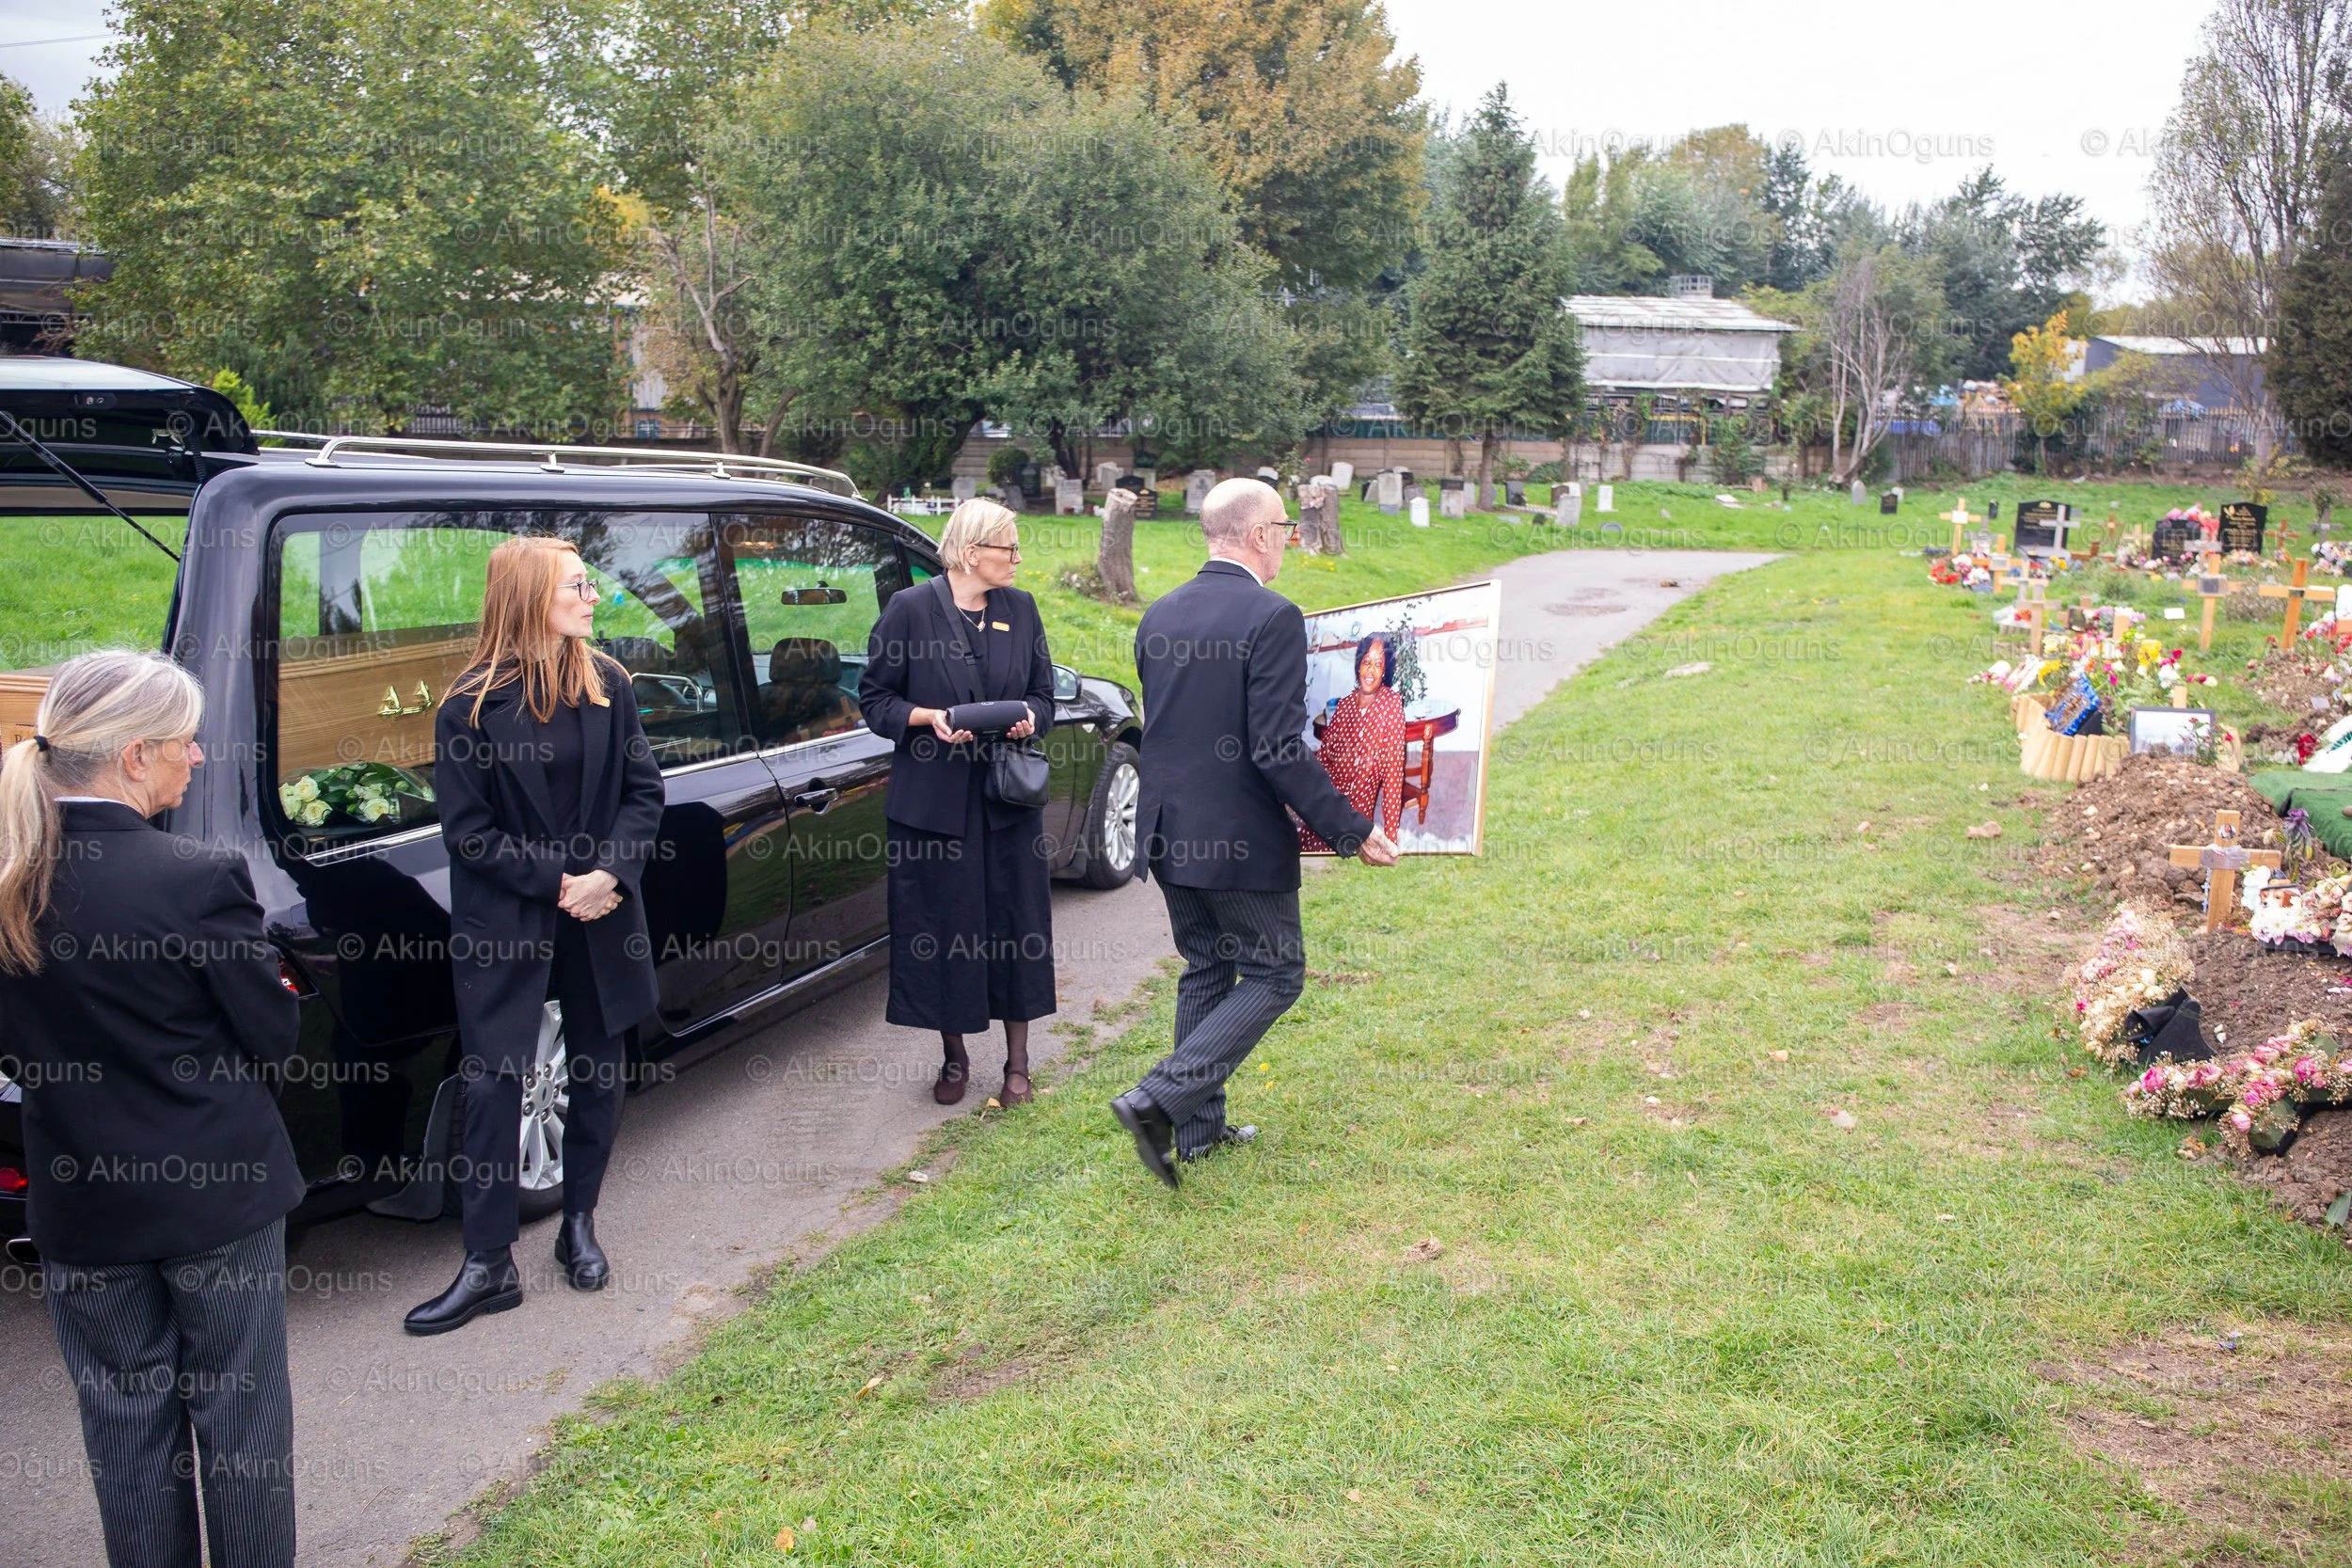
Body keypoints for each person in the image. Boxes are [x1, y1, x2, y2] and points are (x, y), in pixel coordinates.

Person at [0, 649, 302, 1568]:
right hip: (214, 1194)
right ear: (135, 755)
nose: (198, 757)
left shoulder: (14, 879)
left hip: (81, 1202)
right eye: (184, 740)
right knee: (238, 1416)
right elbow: (271, 1032)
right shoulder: (193, 873)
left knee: (125, 1431)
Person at [405, 536, 663, 1335]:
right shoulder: (470, 706)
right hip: (511, 919)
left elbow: (643, 792)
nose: (594, 597)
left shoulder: (608, 683)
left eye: (590, 584)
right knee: (492, 1087)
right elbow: (469, 836)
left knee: (598, 1068)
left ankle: (578, 1223)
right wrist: (561, 881)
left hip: (602, 914)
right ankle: (488, 1263)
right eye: (578, 586)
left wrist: (609, 875)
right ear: (528, 598)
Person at [1111, 479, 1399, 1187]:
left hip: (1169, 829)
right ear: (1258, 534)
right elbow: (1276, 747)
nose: (1289, 544)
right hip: (1236, 835)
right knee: (1276, 972)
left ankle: (1201, 1134)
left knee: (1209, 966)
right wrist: (1350, 827)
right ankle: (1160, 1099)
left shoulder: (1160, 614)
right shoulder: (1272, 617)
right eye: (1285, 529)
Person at [860, 498, 1057, 1105]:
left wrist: (1029, 719)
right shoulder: (910, 610)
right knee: (946, 931)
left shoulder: (1020, 609)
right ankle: (953, 1058)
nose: (1019, 559)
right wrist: (927, 718)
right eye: (1010, 548)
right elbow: (875, 699)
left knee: (1016, 927)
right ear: (972, 552)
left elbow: (1045, 695)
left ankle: (1018, 1065)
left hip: (1008, 803)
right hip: (934, 807)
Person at [1299, 630, 1406, 853]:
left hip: (1355, 817)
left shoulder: (1392, 705)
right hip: (1328, 803)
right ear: (1358, 665)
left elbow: (1393, 775)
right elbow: (1325, 759)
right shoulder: (1344, 704)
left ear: (1385, 670)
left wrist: (1391, 838)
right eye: (1366, 661)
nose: (1370, 669)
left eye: (1378, 664)